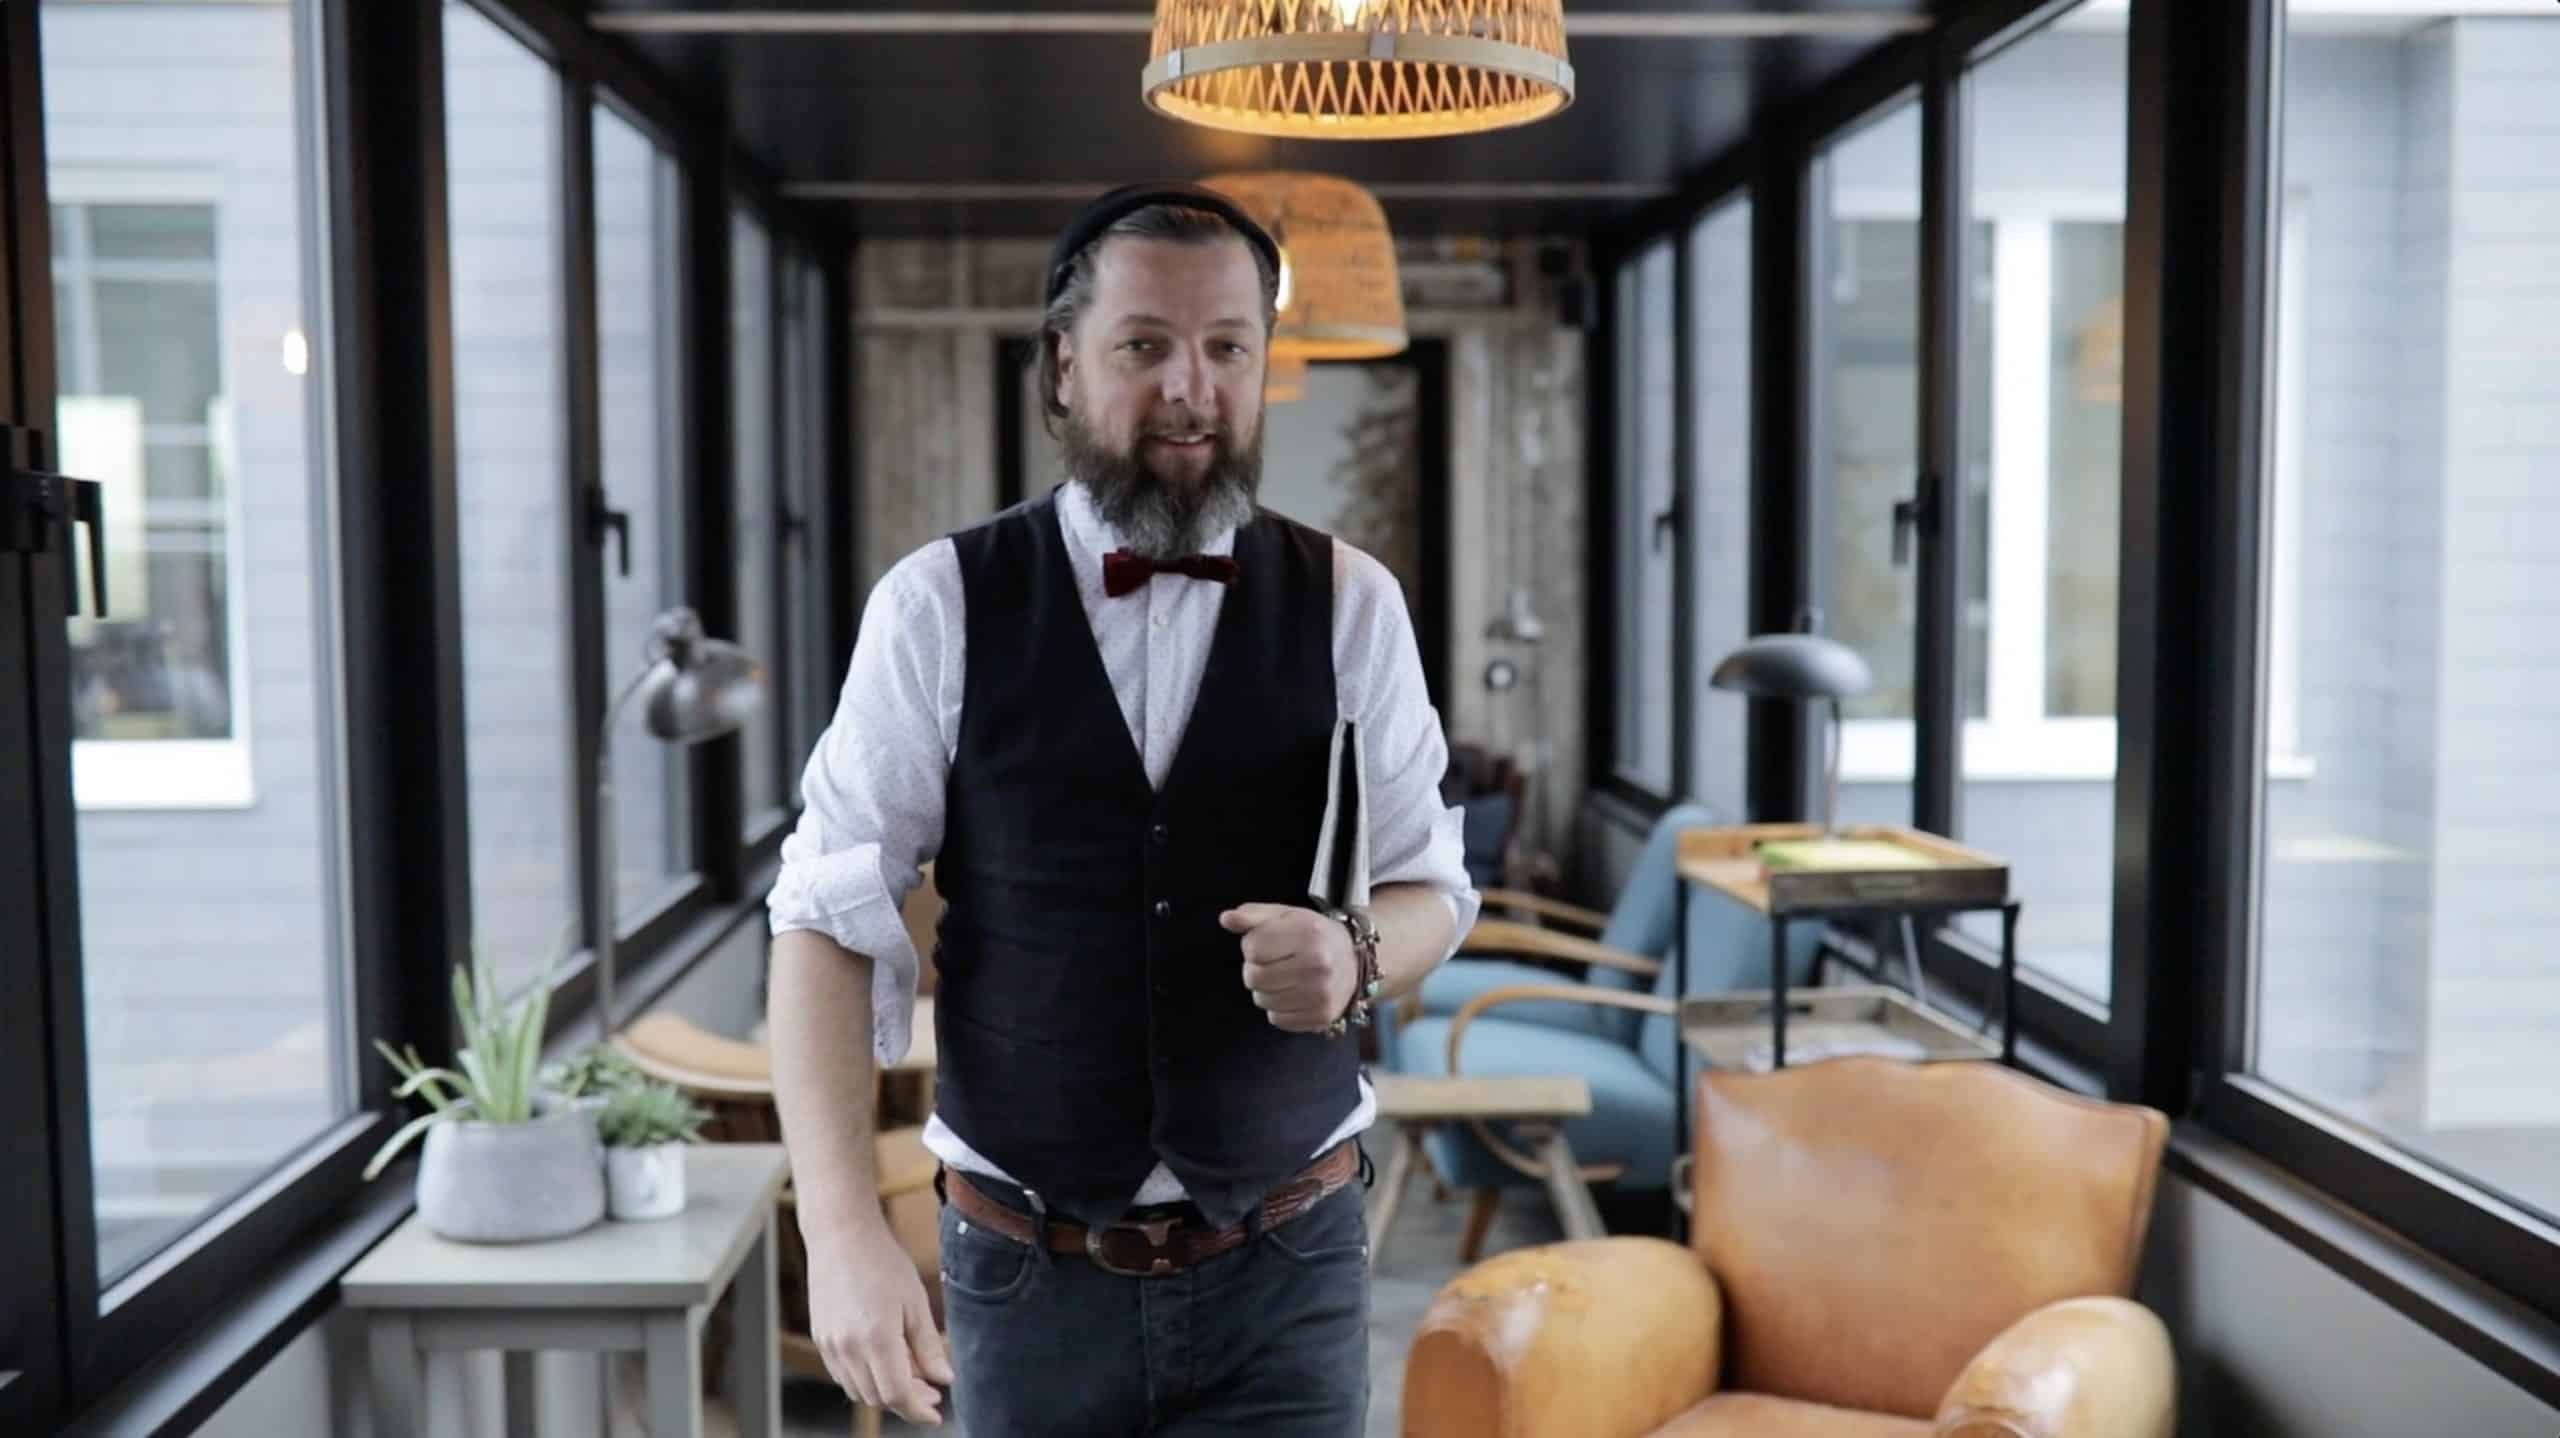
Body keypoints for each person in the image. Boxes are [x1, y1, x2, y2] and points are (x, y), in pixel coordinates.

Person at [763, 182, 1480, 1435]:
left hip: (1289, 1264)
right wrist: (839, 1231)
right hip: (1025, 1270)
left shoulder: (1353, 602)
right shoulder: (938, 604)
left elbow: (1433, 885)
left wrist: (1358, 953)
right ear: (1063, 364)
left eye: (1227, 348)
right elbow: (824, 916)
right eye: (1144, 345)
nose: (1190, 389)